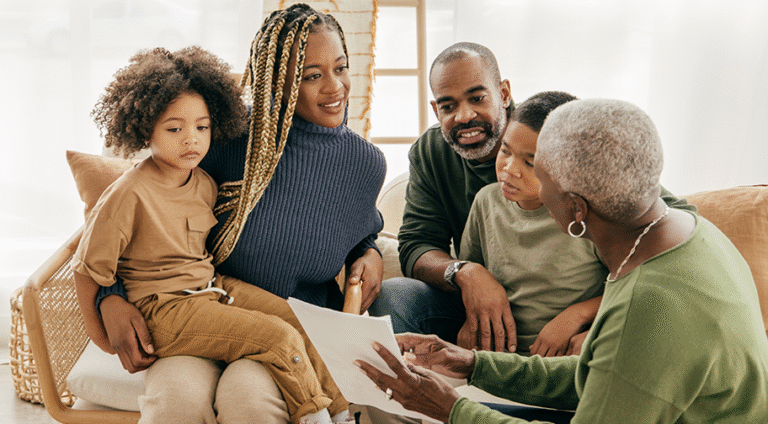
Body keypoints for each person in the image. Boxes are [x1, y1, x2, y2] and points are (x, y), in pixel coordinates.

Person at [355, 98, 768, 423]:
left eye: (540, 171)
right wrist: (473, 364)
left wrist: (450, 409)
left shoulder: (650, 304)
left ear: (575, 208)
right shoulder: (690, 231)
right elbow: (602, 377)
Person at [92, 4, 386, 423]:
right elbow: (141, 217)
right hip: (194, 308)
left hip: (288, 327)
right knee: (177, 400)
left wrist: (370, 251)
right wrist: (110, 298)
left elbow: (355, 229)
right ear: (277, 81)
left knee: (246, 398)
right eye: (312, 75)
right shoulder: (223, 139)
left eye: (340, 67)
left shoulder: (365, 165)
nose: (335, 87)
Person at [369, 42, 693, 354]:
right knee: (395, 295)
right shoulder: (441, 160)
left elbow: (667, 216)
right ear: (435, 109)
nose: (465, 116)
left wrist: (591, 319)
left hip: (570, 319)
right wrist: (466, 274)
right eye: (448, 105)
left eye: (477, 97)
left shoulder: (556, 132)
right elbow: (416, 244)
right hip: (485, 306)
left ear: (504, 93)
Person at [459, 90, 604, 357]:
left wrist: (578, 315)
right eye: (505, 150)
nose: (509, 169)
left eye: (529, 162)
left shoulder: (590, 214)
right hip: (498, 357)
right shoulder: (486, 202)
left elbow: (631, 285)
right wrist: (470, 321)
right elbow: (471, 277)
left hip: (563, 358)